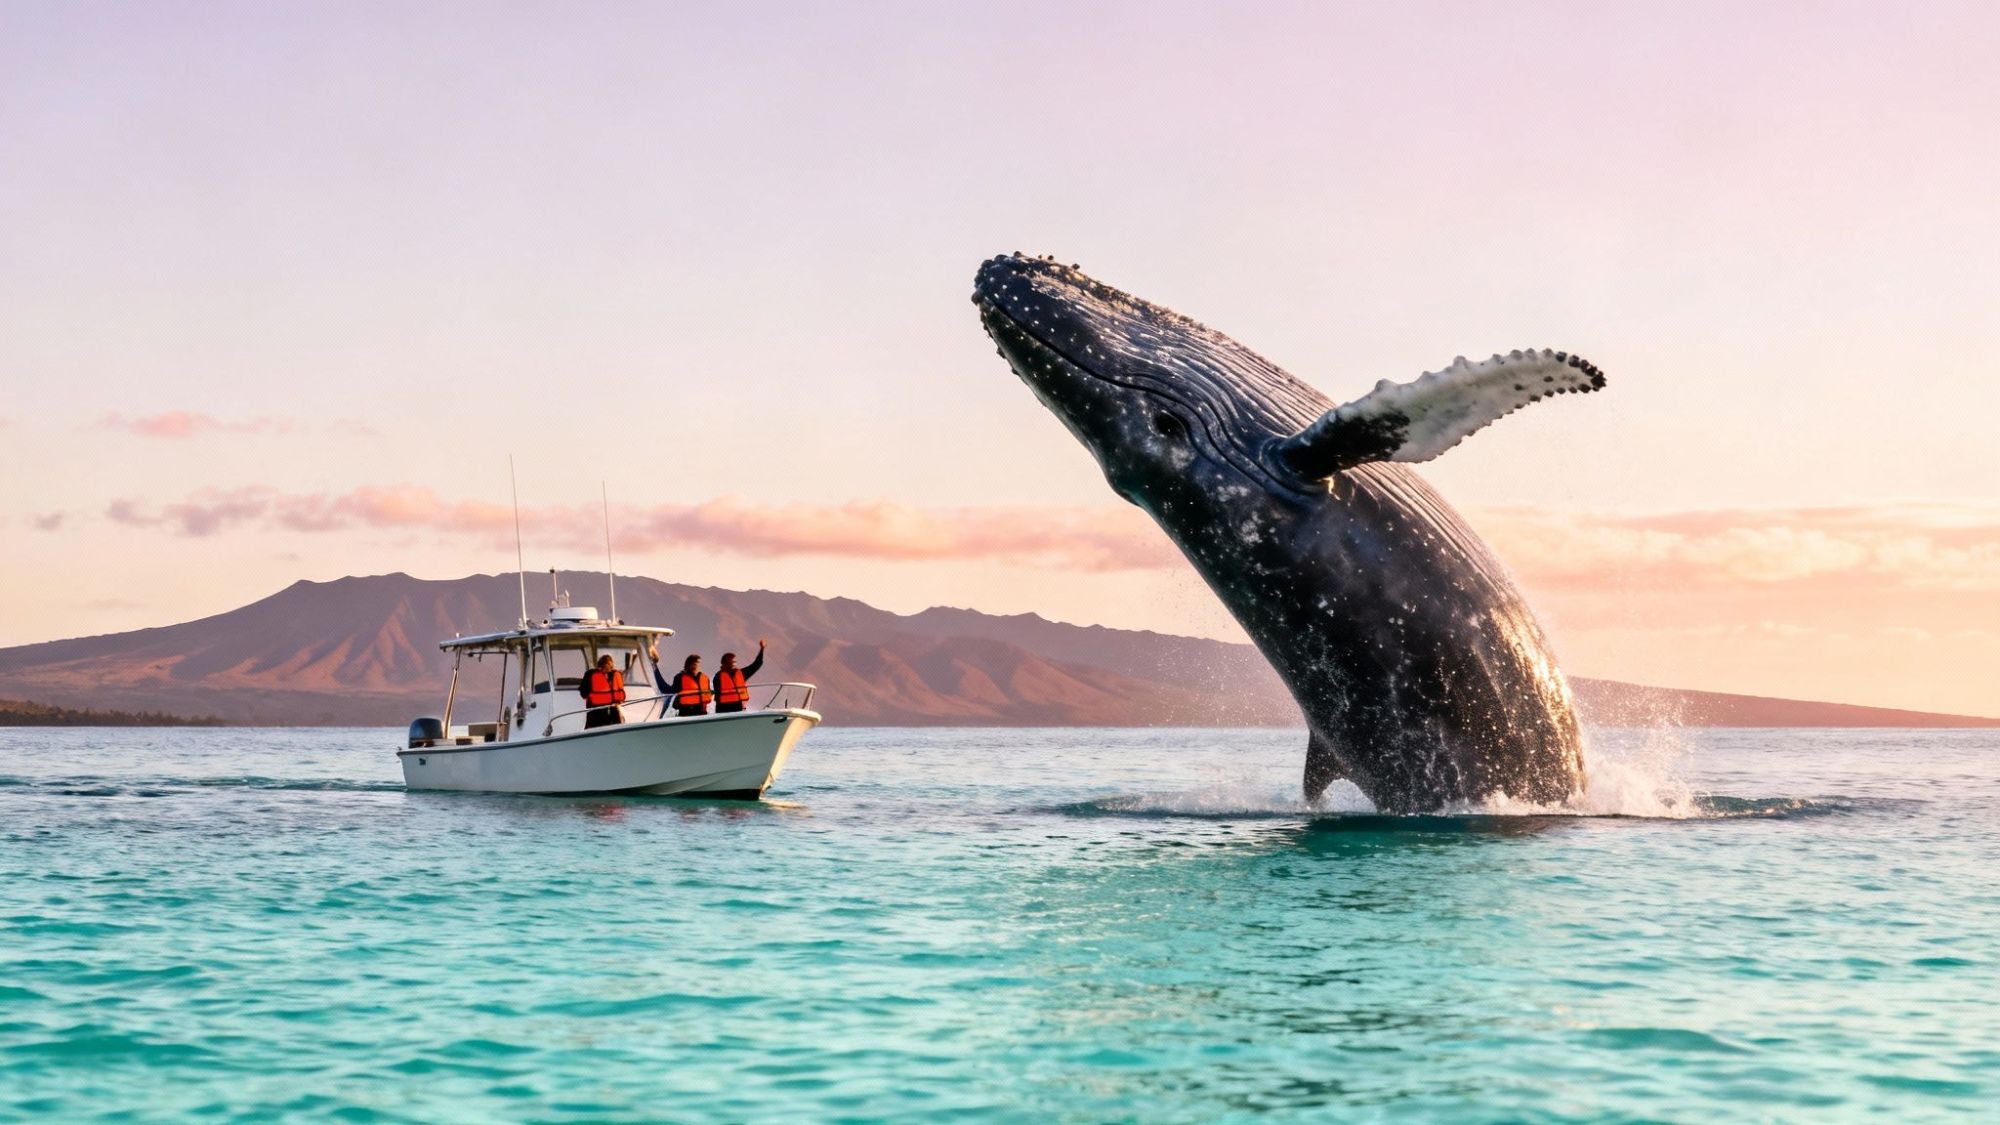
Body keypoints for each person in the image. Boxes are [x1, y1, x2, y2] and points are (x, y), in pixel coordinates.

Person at [651, 648, 712, 717]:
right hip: (686, 716)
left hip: (703, 716)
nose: (695, 666)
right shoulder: (680, 678)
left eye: (697, 664)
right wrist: (655, 669)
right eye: (693, 664)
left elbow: (708, 695)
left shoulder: (705, 678)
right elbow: (667, 691)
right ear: (687, 665)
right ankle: (653, 667)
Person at [712, 640, 767, 713]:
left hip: (738, 709)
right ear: (723, 664)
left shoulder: (741, 673)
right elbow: (718, 694)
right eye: (730, 662)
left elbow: (756, 665)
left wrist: (762, 649)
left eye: (734, 662)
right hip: (723, 710)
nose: (733, 664)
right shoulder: (717, 677)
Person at [578, 653, 626, 728]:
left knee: (616, 729)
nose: (607, 671)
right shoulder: (590, 675)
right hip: (595, 713)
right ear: (599, 667)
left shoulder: (615, 674)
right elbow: (583, 693)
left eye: (609, 668)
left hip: (614, 711)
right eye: (604, 668)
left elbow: (620, 694)